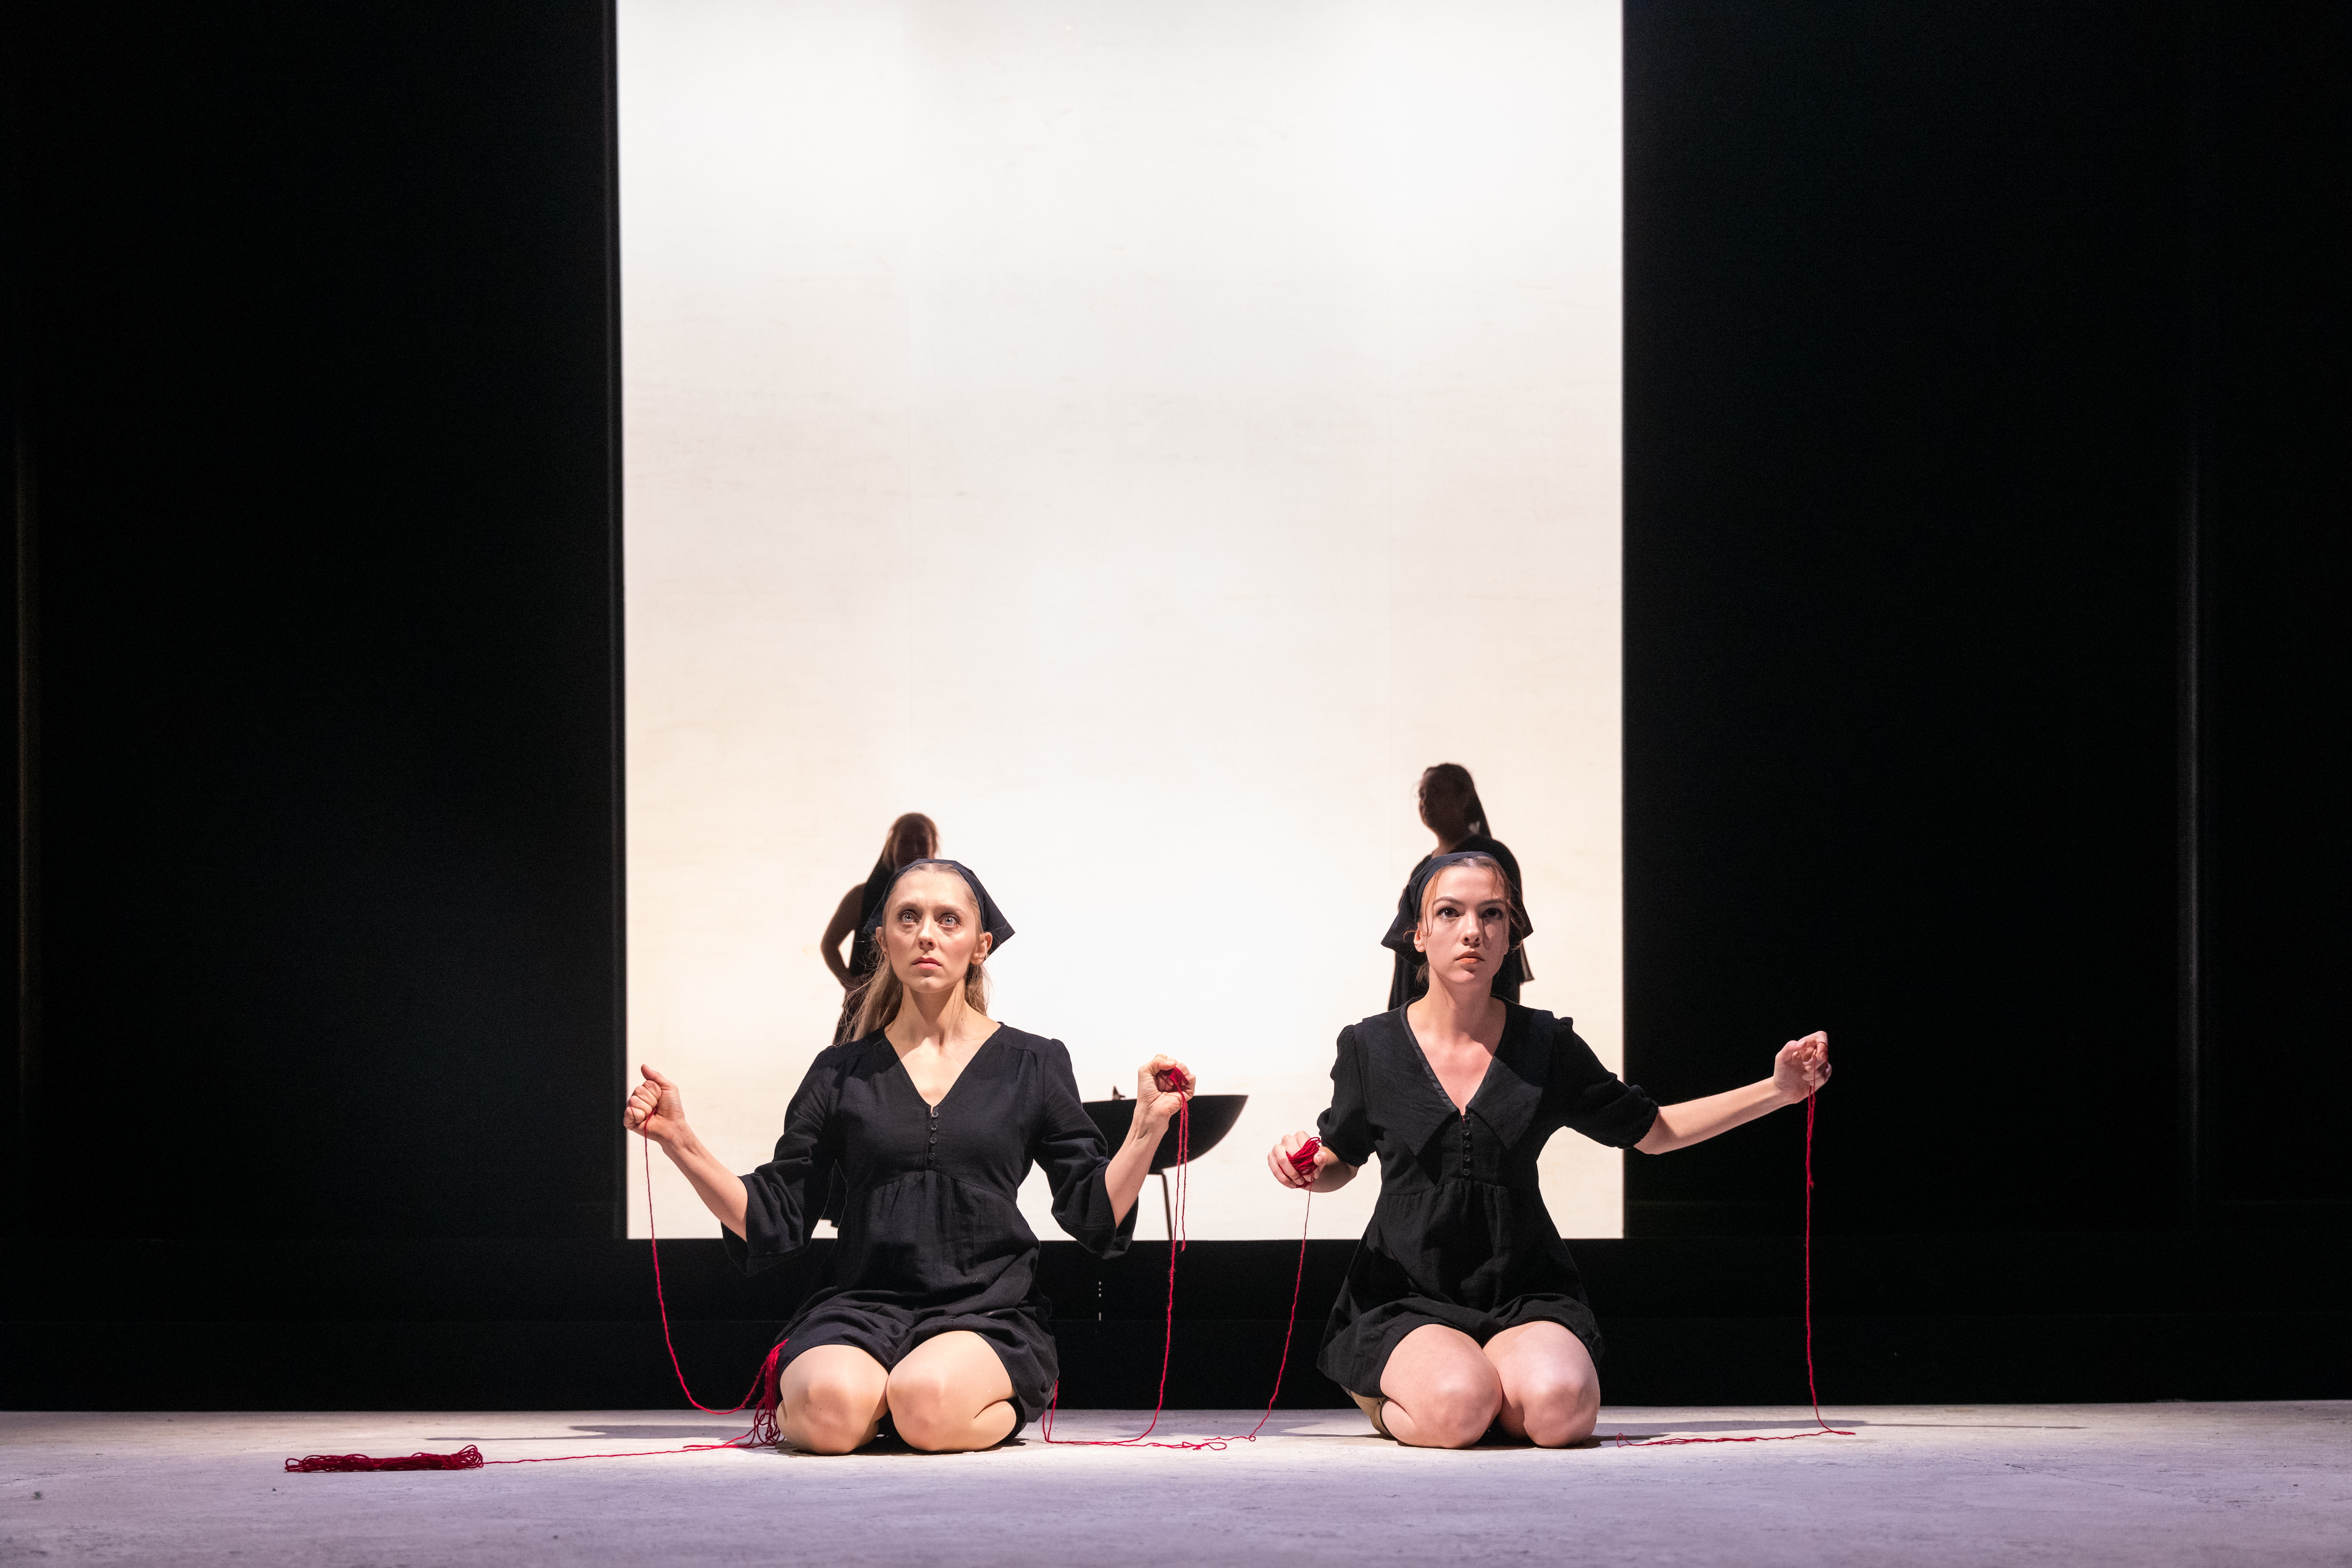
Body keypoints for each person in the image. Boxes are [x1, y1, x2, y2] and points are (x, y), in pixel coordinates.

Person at [1270, 851, 1831, 1449]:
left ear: (1509, 935)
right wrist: (1306, 1167)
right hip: (1405, 1294)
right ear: (1418, 933)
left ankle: (1487, 1388)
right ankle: (1424, 1394)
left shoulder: (1546, 1044)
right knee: (1456, 1409)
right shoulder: (1370, 1046)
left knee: (1559, 1413)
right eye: (1450, 912)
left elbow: (1656, 1131)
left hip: (1523, 1289)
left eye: (1491, 914)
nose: (1472, 931)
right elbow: (1341, 1157)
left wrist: (1778, 1091)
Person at [628, 859, 1193, 1454]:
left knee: (926, 1401)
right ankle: (874, 1408)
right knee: (828, 1414)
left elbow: (1092, 1210)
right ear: (883, 940)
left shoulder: (1034, 1062)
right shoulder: (839, 1071)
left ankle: (922, 1409)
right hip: (861, 1305)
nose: (926, 934)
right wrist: (679, 1140)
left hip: (985, 1309)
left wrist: (1146, 1128)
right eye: (908, 918)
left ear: (980, 945)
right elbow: (775, 1214)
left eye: (947, 919)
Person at [1387, 764, 1530, 1008]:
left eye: (1436, 792)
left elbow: (1505, 929)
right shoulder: (1422, 867)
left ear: (1463, 798)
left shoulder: (1493, 856)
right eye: (1422, 795)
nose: (1426, 801)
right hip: (1417, 991)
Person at [822, 813, 939, 1044]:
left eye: (922, 842)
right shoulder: (862, 897)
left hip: (919, 1016)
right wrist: (849, 983)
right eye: (905, 841)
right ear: (891, 847)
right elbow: (829, 944)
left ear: (933, 848)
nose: (914, 849)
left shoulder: (943, 902)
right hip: (863, 1014)